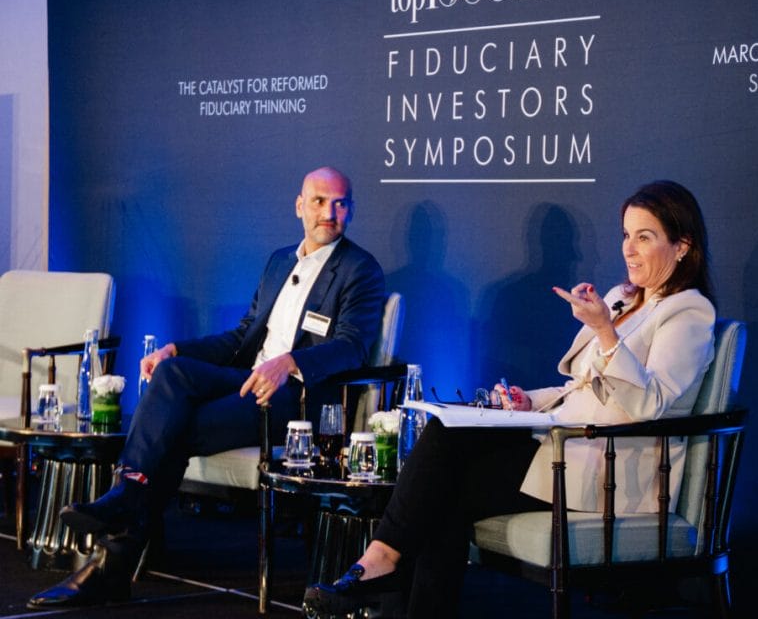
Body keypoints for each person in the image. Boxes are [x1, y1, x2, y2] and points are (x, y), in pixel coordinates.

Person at [302, 180, 717, 618]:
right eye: (626, 235)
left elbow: (651, 403)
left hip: (609, 470)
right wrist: (528, 401)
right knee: (446, 462)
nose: (629, 249)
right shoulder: (622, 300)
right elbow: (580, 387)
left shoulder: (688, 311)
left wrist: (604, 332)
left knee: (444, 480)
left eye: (644, 237)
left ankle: (379, 563)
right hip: (565, 450)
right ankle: (382, 565)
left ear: (682, 246)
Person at [28, 166, 386, 609]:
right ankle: (124, 506)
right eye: (319, 201)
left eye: (340, 203)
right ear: (299, 206)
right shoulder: (279, 261)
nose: (329, 212)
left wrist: (290, 362)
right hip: (247, 381)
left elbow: (352, 346)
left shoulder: (359, 269)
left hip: (296, 401)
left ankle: (112, 551)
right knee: (171, 373)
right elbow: (242, 337)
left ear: (351, 209)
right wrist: (176, 349)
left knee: (172, 430)